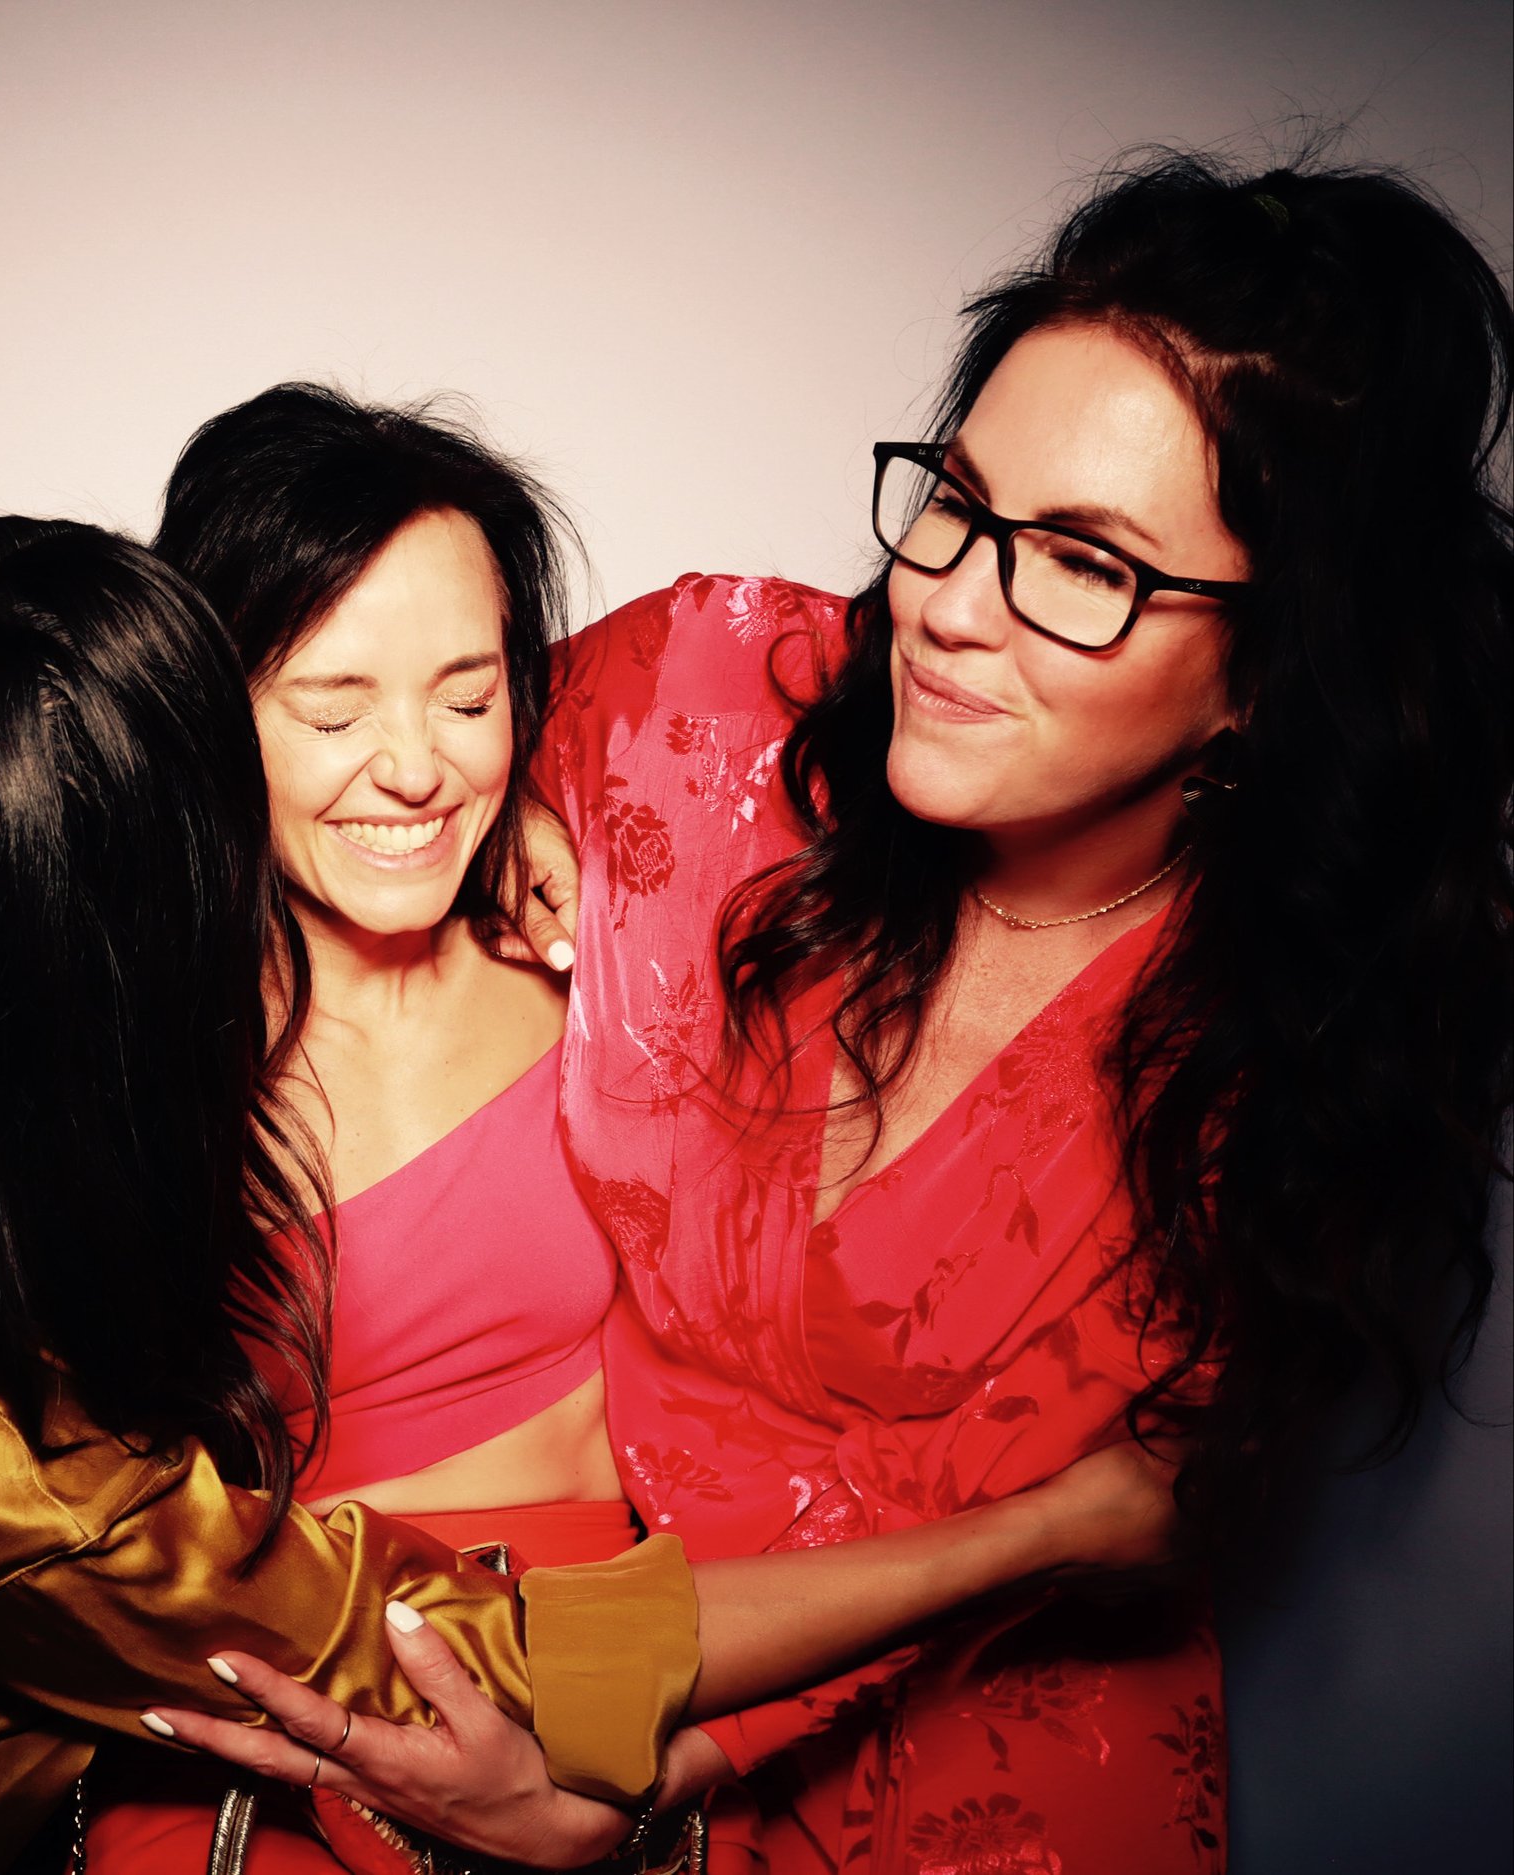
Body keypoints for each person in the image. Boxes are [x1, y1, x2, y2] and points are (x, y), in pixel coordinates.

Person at [0, 401, 1185, 1872]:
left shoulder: (601, 890)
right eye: (327, 700)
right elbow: (414, 1646)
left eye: (470, 693)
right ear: (208, 729)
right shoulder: (93, 1026)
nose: (415, 762)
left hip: (645, 1603)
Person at [156, 153, 1514, 1873]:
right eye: (955, 500)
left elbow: (1066, 1531)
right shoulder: (695, 701)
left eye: (1082, 564)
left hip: (955, 1756)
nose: (946, 603)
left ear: (1271, 673)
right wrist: (499, 822)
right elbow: (352, 770)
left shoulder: (1283, 1073)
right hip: (551, 1641)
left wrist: (630, 1779)